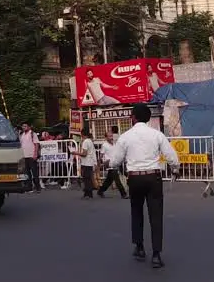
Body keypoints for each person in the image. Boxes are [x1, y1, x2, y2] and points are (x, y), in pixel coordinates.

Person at [108, 104, 178, 269]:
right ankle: (156, 254)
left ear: (133, 117)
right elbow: (171, 156)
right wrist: (175, 169)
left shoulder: (125, 137)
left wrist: (114, 165)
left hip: (135, 178)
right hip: (154, 177)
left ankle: (139, 247)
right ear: (147, 117)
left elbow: (115, 161)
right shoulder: (157, 135)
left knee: (136, 212)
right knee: (156, 215)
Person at [97, 128, 128, 199]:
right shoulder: (104, 145)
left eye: (111, 136)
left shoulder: (115, 143)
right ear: (106, 137)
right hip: (109, 164)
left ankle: (100, 191)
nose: (111, 138)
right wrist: (99, 165)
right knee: (117, 179)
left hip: (116, 163)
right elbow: (101, 155)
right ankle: (123, 194)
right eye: (109, 136)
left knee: (109, 180)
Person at [74, 128, 97, 199]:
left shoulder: (85, 142)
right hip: (90, 162)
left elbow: (84, 154)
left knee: (86, 179)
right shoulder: (90, 141)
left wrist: (76, 153)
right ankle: (87, 193)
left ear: (82, 134)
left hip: (86, 162)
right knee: (88, 178)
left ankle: (88, 194)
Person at [19, 123, 41, 193]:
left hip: (31, 156)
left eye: (25, 126)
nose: (24, 127)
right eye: (23, 126)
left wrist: (35, 154)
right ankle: (29, 187)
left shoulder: (32, 134)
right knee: (27, 173)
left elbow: (36, 144)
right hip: (24, 156)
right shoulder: (22, 135)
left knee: (34, 172)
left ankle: (38, 187)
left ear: (29, 127)